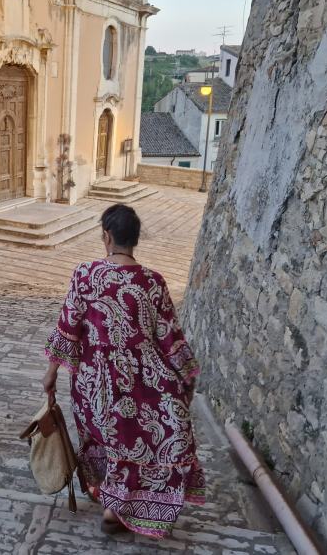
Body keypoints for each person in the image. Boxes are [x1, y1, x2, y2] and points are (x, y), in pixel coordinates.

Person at [42, 204, 205, 538]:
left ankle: (113, 505)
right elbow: (170, 336)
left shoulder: (86, 275)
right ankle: (119, 506)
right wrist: (186, 374)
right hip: (147, 379)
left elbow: (69, 325)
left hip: (95, 380)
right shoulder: (153, 282)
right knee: (139, 439)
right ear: (135, 239)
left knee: (110, 438)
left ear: (106, 236)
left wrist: (52, 372)